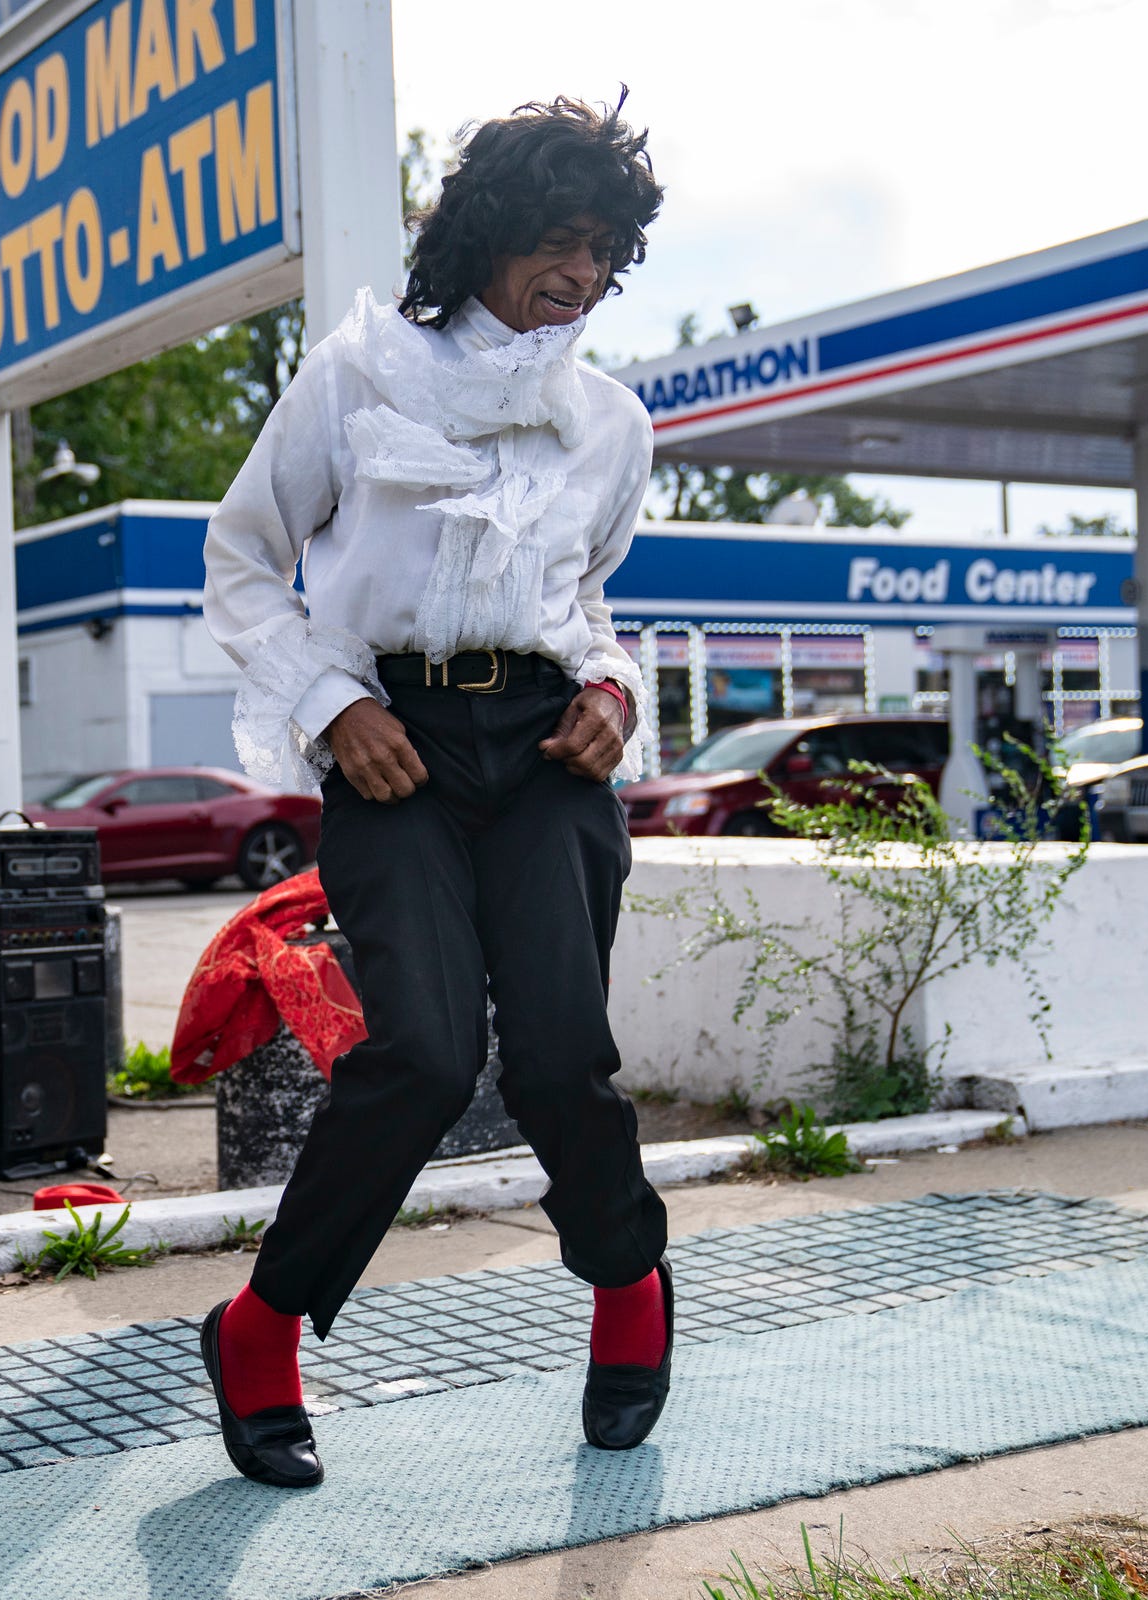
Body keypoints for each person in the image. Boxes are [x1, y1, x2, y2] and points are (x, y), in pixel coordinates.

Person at [196, 96, 672, 1488]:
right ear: (483, 234)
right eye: (554, 241)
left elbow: (584, 604)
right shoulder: (358, 374)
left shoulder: (609, 422)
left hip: (543, 755)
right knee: (418, 1058)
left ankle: (630, 1296)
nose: (578, 274)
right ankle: (262, 1327)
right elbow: (241, 562)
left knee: (561, 1059)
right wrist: (333, 708)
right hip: (391, 743)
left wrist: (612, 691)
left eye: (601, 250)